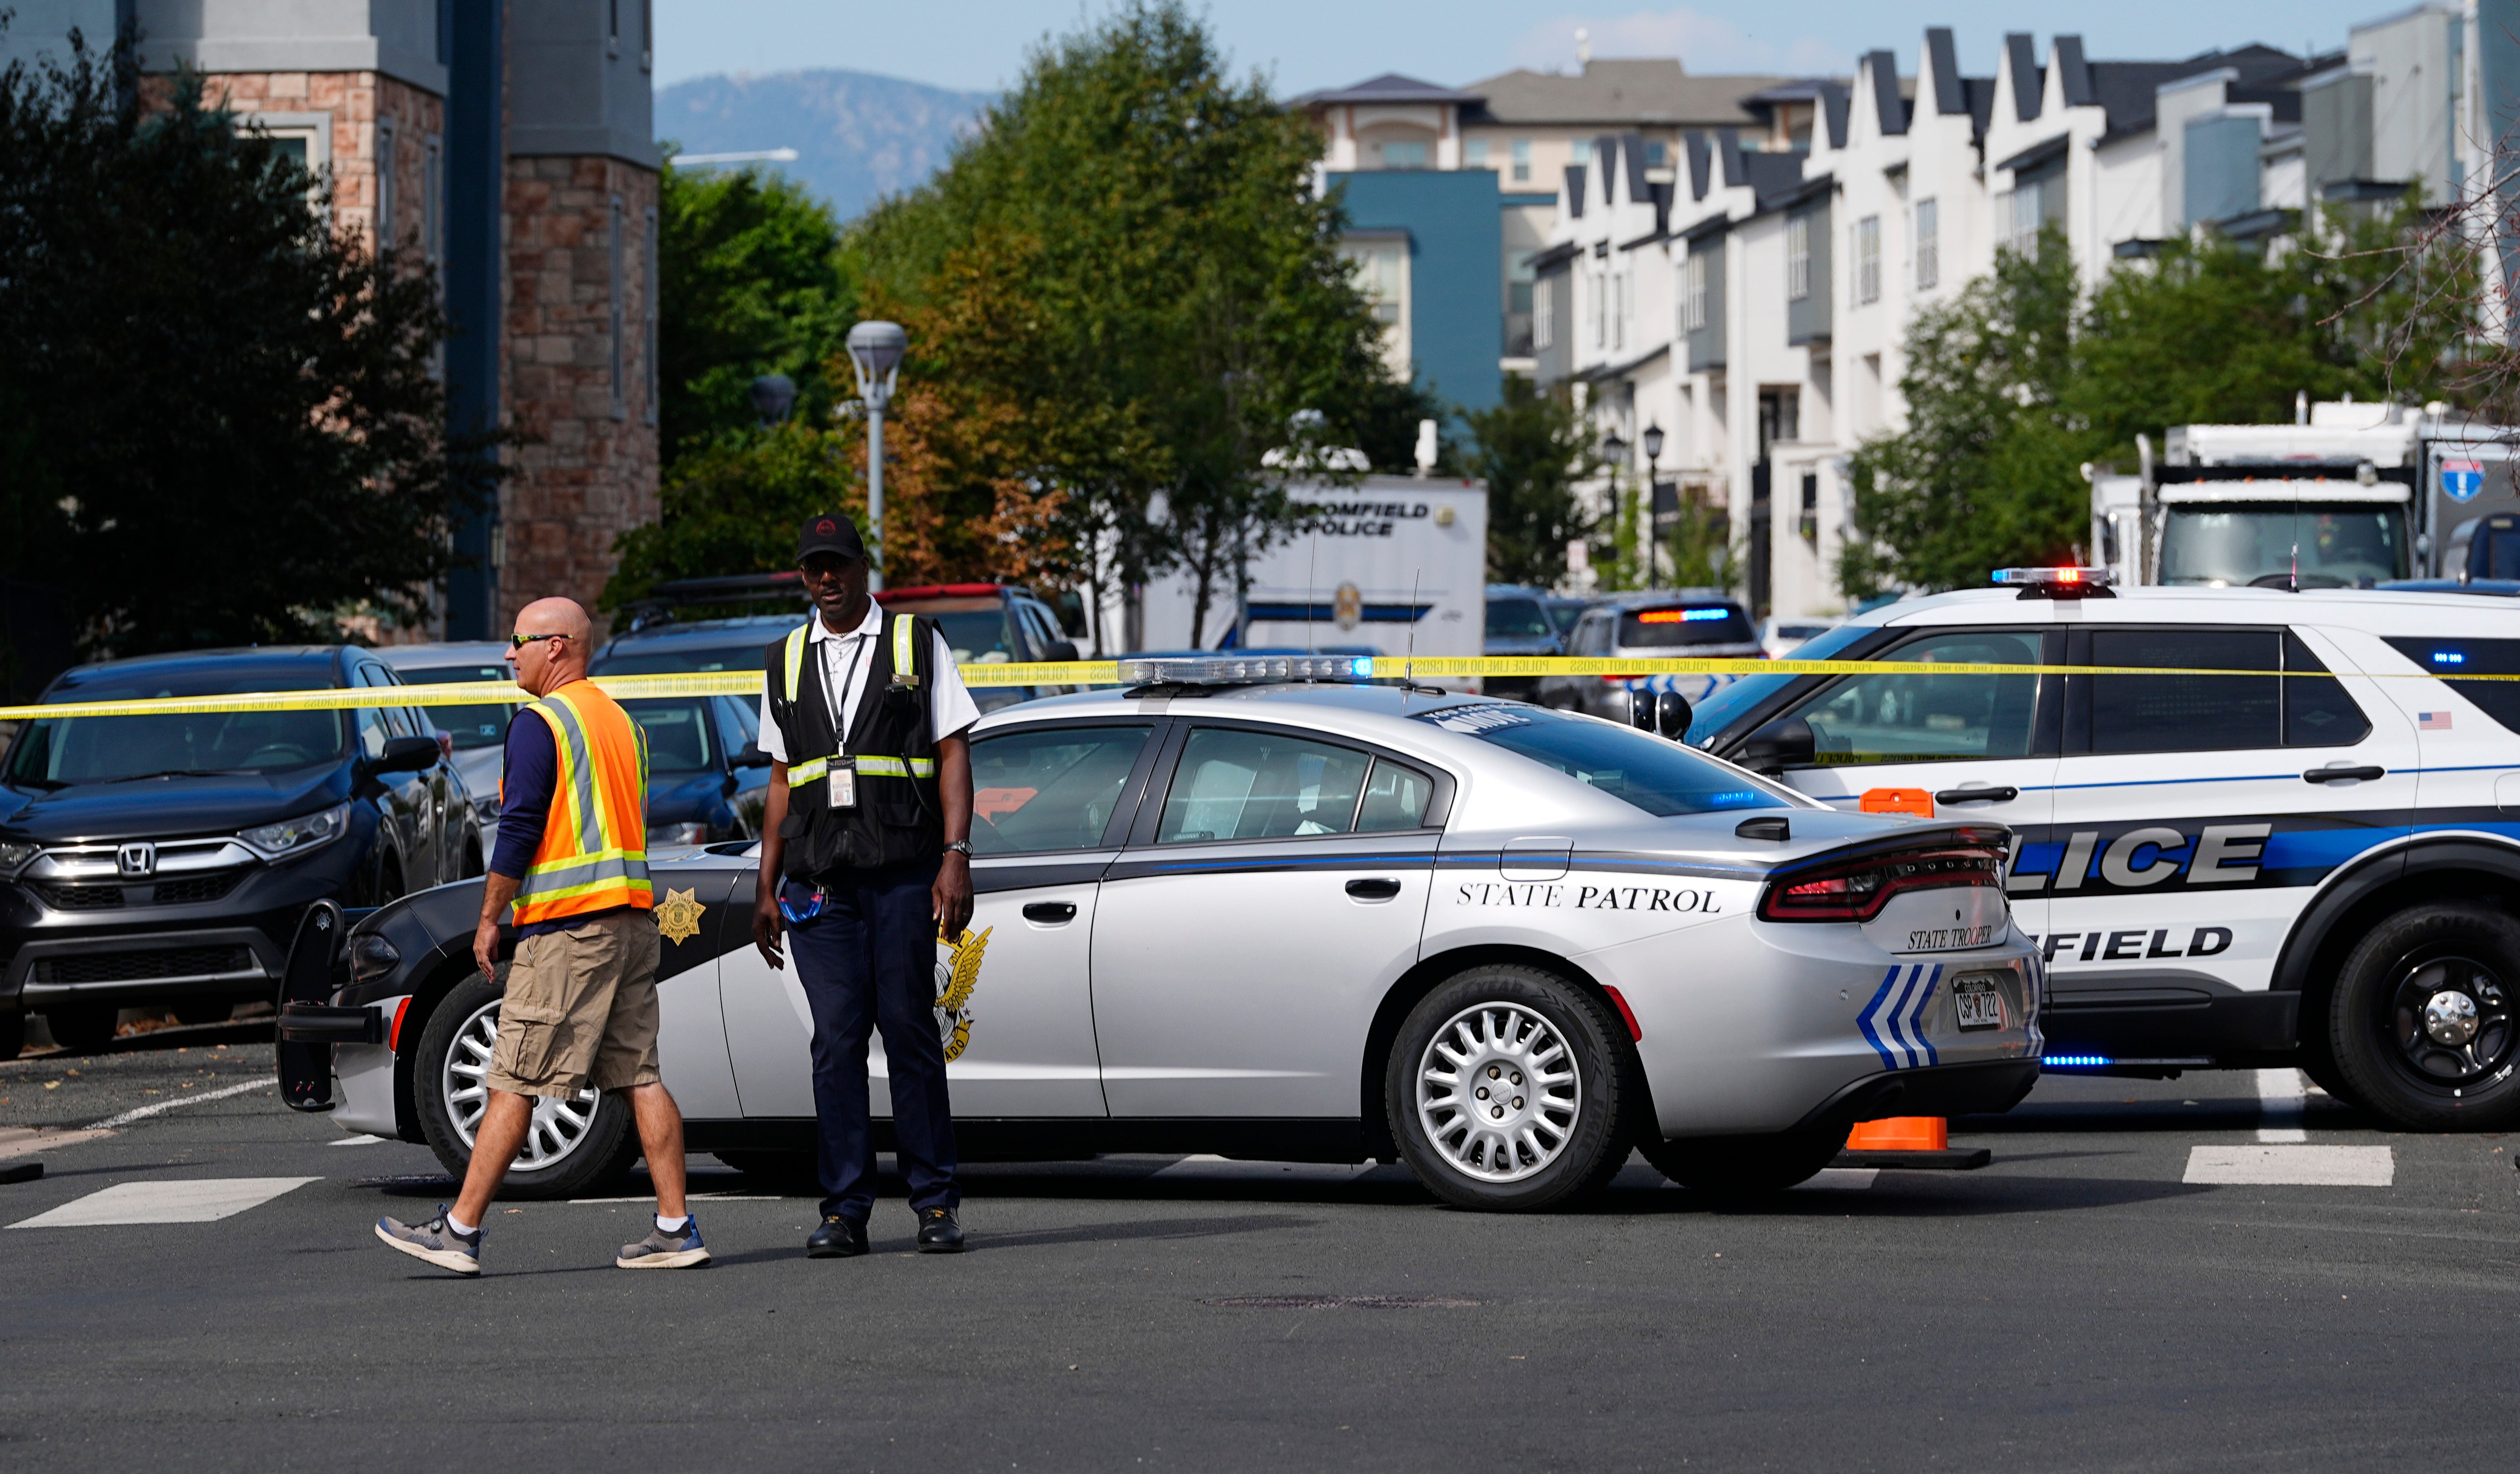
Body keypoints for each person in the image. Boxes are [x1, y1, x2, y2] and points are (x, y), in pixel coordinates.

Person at [375, 597, 708, 1275]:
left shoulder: (540, 723)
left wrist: (491, 915)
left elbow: (522, 828)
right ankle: (676, 1227)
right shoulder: (621, 723)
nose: (508, 653)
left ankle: (460, 1230)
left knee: (514, 1078)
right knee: (639, 1075)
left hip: (569, 930)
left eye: (519, 641)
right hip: (630, 922)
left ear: (557, 646)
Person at [751, 513, 979, 1257]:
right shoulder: (784, 659)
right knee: (836, 1044)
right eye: (814, 567)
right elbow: (783, 781)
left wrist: (956, 855)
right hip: (821, 886)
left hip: (904, 874)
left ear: (861, 567)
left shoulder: (915, 644)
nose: (826, 579)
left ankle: (935, 1205)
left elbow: (952, 753)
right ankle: (845, 1210)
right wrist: (766, 885)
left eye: (838, 564)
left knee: (910, 1033)